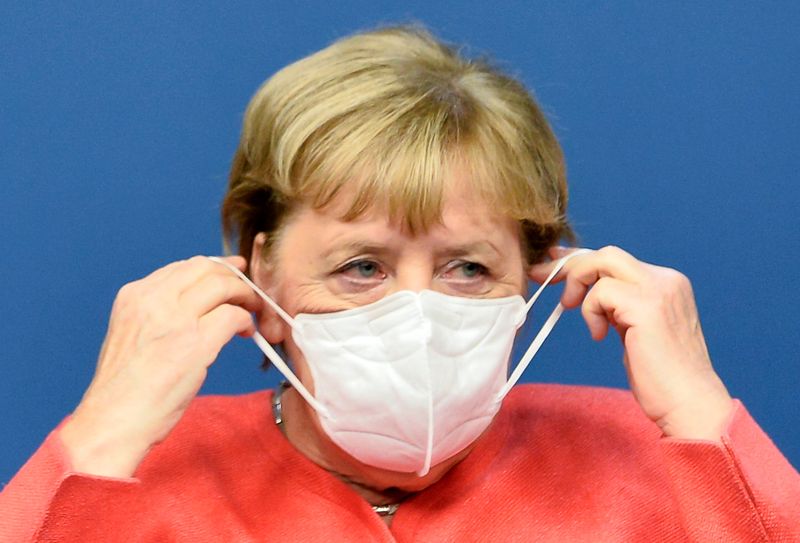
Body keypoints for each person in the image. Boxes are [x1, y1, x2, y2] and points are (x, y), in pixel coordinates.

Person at [1, 26, 798, 542]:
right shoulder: (126, 477)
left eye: (468, 268)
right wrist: (100, 438)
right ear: (261, 275)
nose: (417, 312)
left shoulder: (656, 459)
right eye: (361, 266)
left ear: (534, 280)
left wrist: (703, 414)